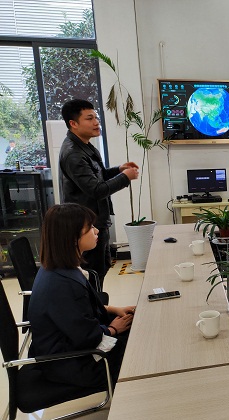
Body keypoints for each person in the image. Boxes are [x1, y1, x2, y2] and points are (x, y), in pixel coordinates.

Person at [28, 203, 135, 388]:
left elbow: (76, 314)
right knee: (137, 347)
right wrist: (113, 329)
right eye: (90, 228)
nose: (97, 231)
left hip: (67, 348)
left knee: (134, 327)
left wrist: (111, 309)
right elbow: (88, 337)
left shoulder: (56, 267)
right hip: (72, 363)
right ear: (72, 238)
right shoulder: (63, 284)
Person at [59, 99, 139, 288]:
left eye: (96, 118)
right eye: (89, 118)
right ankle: (93, 305)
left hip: (96, 221)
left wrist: (119, 170)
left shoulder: (85, 146)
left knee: (100, 269)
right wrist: (125, 177)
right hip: (85, 225)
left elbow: (98, 176)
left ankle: (98, 302)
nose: (96, 122)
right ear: (73, 123)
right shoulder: (73, 154)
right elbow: (96, 190)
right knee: (91, 272)